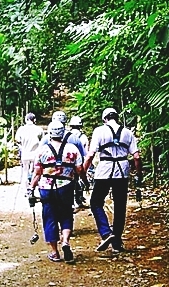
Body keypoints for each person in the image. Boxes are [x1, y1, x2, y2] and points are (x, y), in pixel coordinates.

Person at [27, 120, 88, 263]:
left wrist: (31, 188)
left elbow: (37, 172)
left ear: (49, 134)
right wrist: (85, 181)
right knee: (66, 214)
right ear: (63, 133)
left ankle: (55, 252)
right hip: (66, 186)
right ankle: (65, 241)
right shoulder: (72, 148)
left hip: (46, 187)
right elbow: (80, 169)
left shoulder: (42, 150)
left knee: (50, 218)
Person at [83, 108, 142, 253]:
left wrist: (82, 172)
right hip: (122, 171)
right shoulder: (127, 132)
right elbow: (137, 157)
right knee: (120, 206)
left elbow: (90, 155)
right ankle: (117, 242)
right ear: (117, 117)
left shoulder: (99, 131)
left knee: (96, 202)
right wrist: (139, 174)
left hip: (104, 170)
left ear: (104, 119)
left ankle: (106, 233)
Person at [15, 113, 44, 193]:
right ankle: (33, 189)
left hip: (25, 154)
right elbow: (43, 141)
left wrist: (22, 146)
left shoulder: (21, 129)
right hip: (35, 155)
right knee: (35, 173)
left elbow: (17, 140)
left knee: (25, 172)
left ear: (26, 120)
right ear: (34, 120)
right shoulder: (39, 129)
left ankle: (26, 190)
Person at [69, 115, 89, 208]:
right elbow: (86, 152)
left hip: (68, 161)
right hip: (79, 161)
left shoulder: (67, 136)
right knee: (78, 179)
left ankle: (71, 200)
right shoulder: (83, 137)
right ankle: (79, 199)